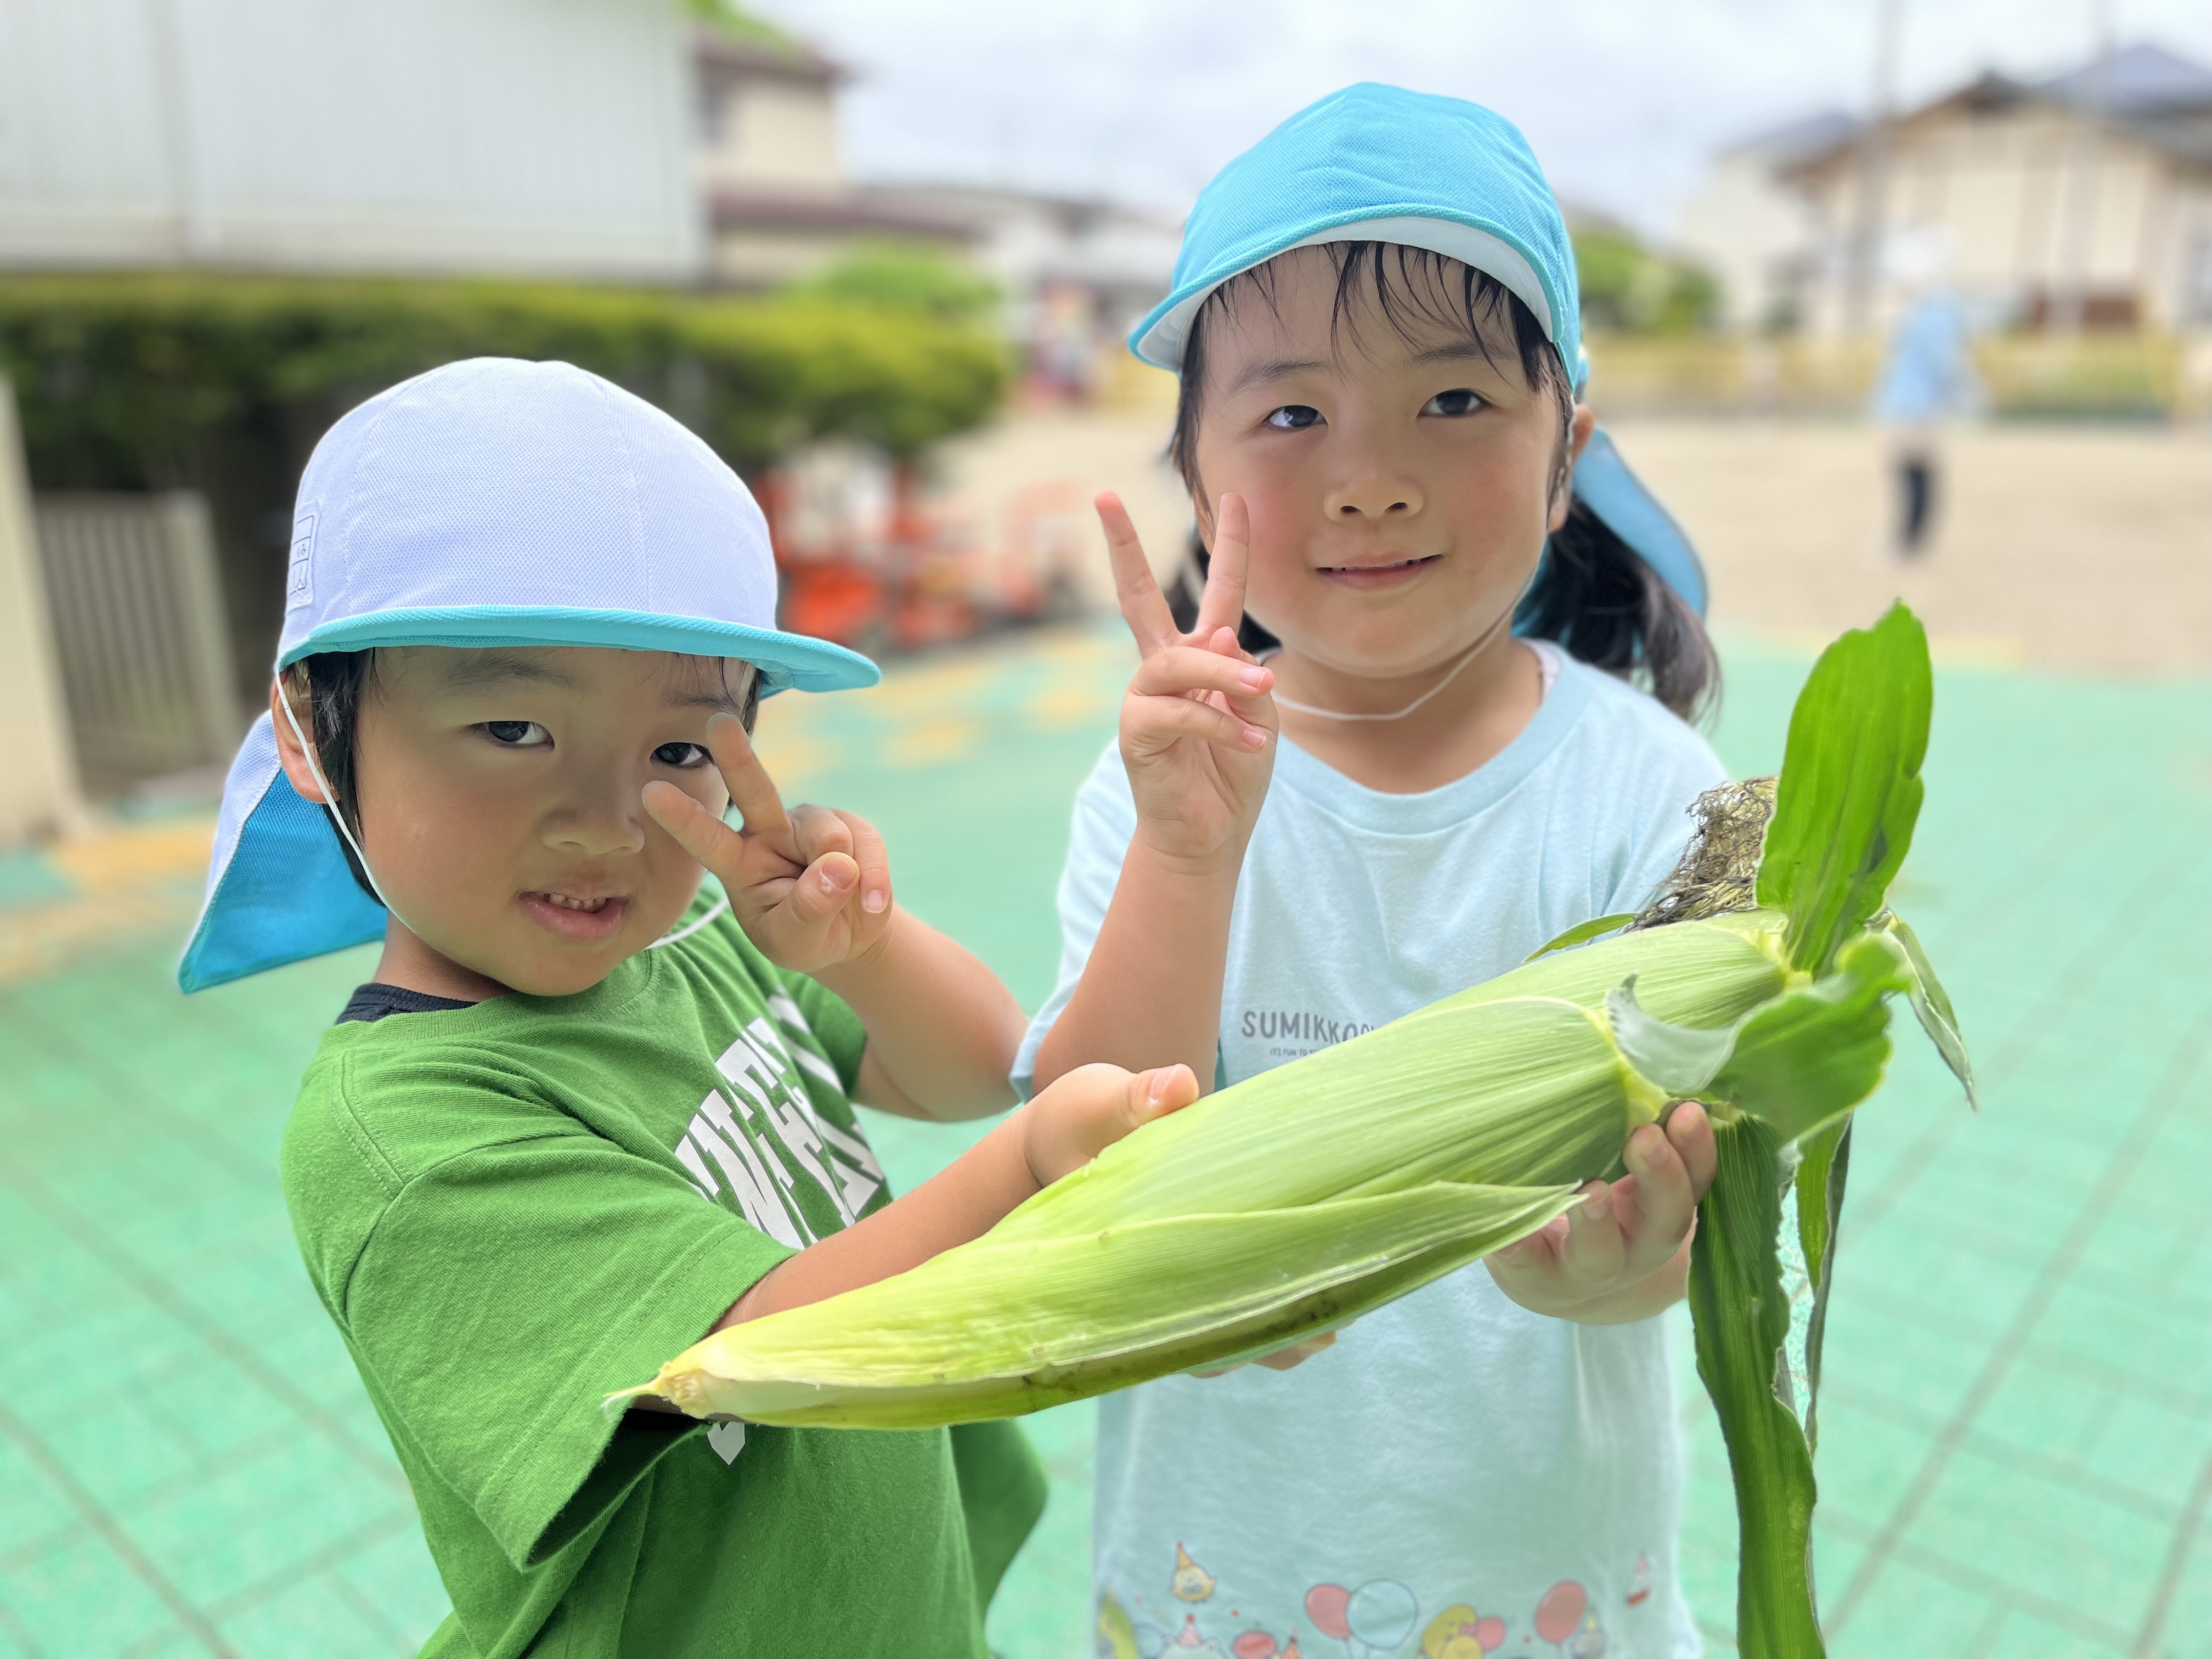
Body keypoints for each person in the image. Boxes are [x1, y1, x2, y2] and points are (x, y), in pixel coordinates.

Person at [177, 358, 1200, 1658]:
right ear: (310, 733)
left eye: (676, 751)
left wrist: (861, 949)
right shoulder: (401, 1136)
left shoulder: (698, 944)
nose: (608, 825)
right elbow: (773, 1348)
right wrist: (1033, 1164)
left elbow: (971, 1067)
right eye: (512, 729)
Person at [1020, 87, 1725, 1656]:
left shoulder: (1647, 792)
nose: (1371, 477)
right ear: (1199, 482)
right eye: (1291, 415)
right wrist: (1189, 852)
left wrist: (1633, 1272)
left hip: (1550, 1592)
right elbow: (1084, 1157)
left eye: (1457, 403)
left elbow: (1711, 1177)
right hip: (1230, 1586)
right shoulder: (1152, 790)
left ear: (1569, 462)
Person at [1872, 282, 1978, 558]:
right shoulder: (1930, 314)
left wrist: (1971, 394)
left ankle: (1908, 543)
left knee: (1914, 477)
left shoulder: (1935, 314)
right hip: (1919, 408)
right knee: (1915, 476)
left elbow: (1945, 362)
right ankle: (1909, 541)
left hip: (1914, 411)